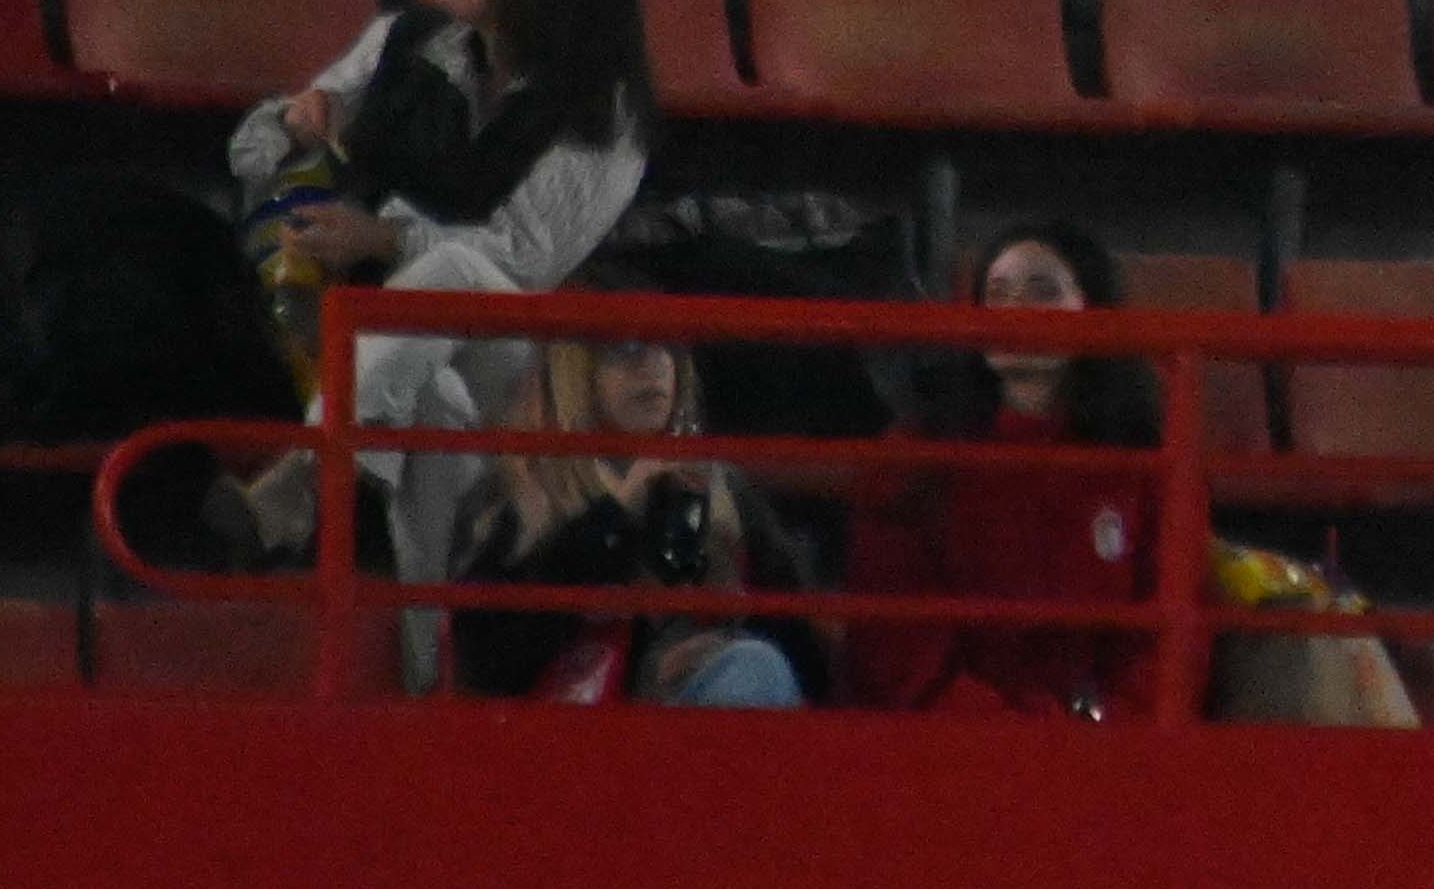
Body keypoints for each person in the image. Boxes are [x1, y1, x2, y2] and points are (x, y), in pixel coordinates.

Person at [229, 0, 656, 581]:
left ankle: (302, 475)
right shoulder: (404, 40)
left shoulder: (603, 112)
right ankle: (426, 656)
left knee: (458, 275)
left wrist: (385, 236)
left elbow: (526, 261)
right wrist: (293, 122)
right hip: (385, 342)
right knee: (433, 400)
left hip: (519, 356)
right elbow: (249, 154)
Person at [833, 220, 1174, 712]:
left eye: (1042, 292)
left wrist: (1107, 731)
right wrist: (1013, 737)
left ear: (1093, 310)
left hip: (1098, 754)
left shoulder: (1144, 461)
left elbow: (1157, 643)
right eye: (998, 292)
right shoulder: (914, 455)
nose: (1015, 312)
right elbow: (900, 649)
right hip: (940, 747)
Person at [450, 332, 825, 706]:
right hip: (568, 735)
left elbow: (810, 654)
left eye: (667, 346)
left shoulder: (719, 488)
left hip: (694, 709)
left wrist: (731, 624)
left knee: (754, 666)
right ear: (573, 370)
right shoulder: (514, 497)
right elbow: (487, 667)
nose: (653, 364)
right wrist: (614, 517)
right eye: (624, 347)